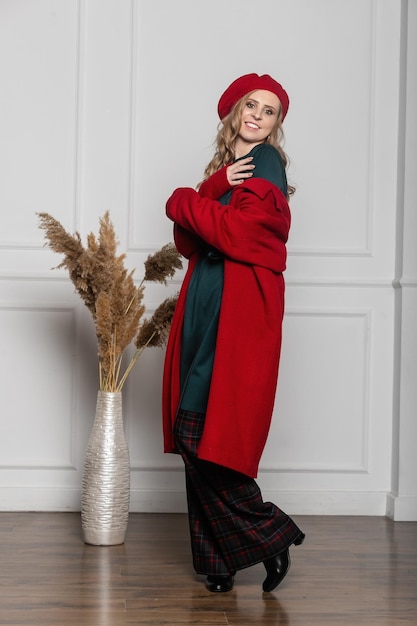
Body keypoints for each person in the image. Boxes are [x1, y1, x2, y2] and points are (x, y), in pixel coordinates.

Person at [162, 73, 305, 593]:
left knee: (205, 435)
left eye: (269, 111)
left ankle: (272, 535)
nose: (258, 116)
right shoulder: (226, 170)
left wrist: (182, 197)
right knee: (194, 430)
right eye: (251, 105)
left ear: (275, 125)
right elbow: (188, 241)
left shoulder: (266, 160)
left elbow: (245, 235)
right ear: (234, 111)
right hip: (206, 301)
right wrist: (212, 187)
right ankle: (218, 562)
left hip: (236, 307)